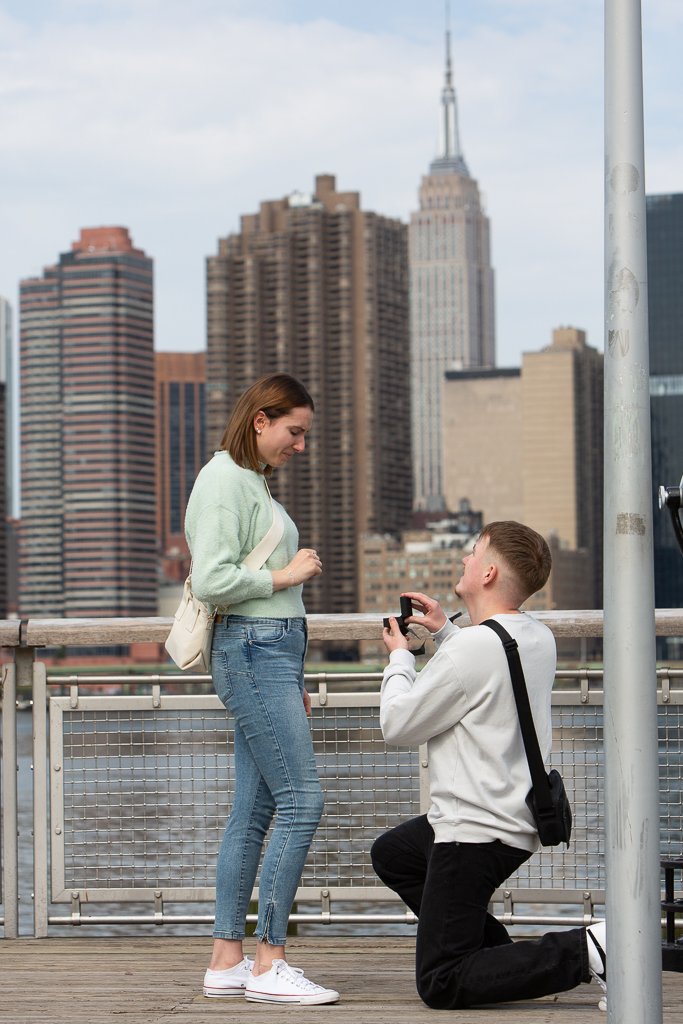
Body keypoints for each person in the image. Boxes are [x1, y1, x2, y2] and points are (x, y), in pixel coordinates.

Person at [372, 521, 607, 1011]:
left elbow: (398, 724)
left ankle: (587, 950)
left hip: (473, 831)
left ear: (490, 572)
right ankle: (503, 962)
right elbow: (492, 662)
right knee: (395, 854)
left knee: (442, 981)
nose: (464, 559)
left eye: (473, 552)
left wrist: (399, 660)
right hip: (514, 820)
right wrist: (446, 630)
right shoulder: (535, 636)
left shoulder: (472, 651)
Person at [185, 373, 339, 1005]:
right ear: (261, 421)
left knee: (253, 812)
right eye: (294, 432)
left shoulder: (251, 483)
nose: (299, 445)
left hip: (269, 658)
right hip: (252, 651)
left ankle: (227, 959)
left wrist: (290, 677)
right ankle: (269, 963)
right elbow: (213, 579)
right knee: (303, 800)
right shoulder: (223, 479)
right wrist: (285, 575)